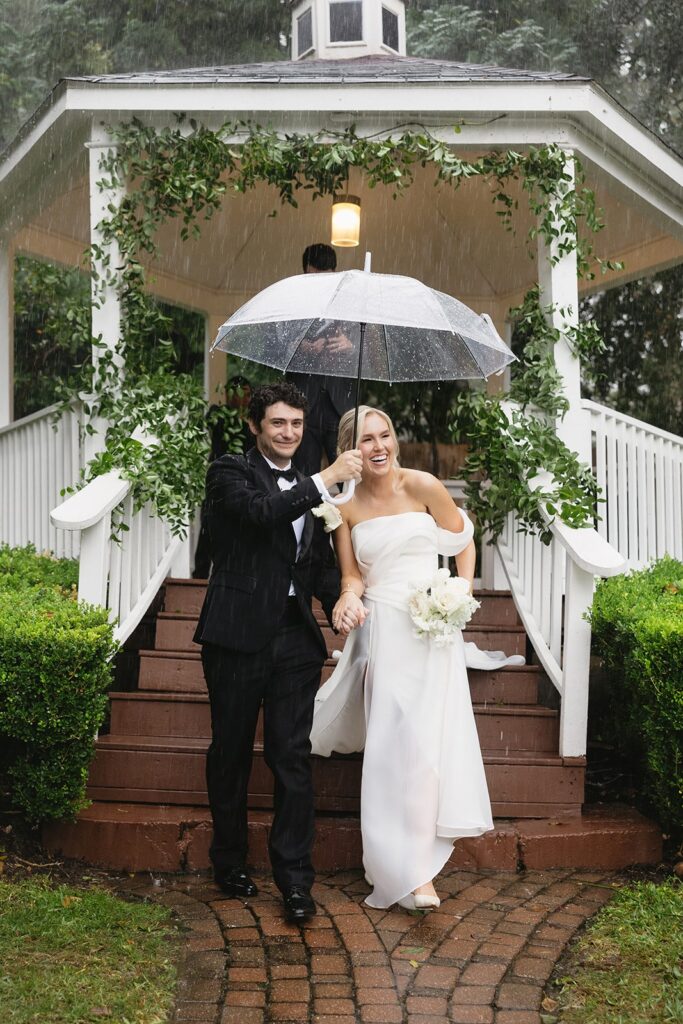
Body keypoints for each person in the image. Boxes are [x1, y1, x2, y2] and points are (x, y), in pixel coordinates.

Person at [310, 405, 494, 910]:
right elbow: (352, 576)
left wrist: (459, 593)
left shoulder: (424, 486)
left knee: (429, 742)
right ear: (351, 449)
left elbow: (462, 538)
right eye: (366, 440)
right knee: (395, 743)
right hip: (384, 628)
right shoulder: (343, 509)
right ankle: (402, 869)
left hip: (433, 628)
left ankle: (421, 866)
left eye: (384, 435)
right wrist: (348, 597)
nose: (378, 447)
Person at [193, 381, 363, 922]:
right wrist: (325, 479)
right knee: (231, 752)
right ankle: (229, 862)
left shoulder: (316, 490)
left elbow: (312, 566)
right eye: (277, 424)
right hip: (236, 633)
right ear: (255, 427)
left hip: (294, 638)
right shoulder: (228, 472)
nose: (288, 433)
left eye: (296, 424)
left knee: (291, 758)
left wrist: (344, 600)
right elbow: (263, 512)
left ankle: (295, 881)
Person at [287, 243, 356, 475]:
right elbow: (274, 345)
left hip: (341, 405)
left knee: (349, 476)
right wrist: (299, 347)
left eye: (325, 277)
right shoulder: (291, 302)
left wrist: (351, 346)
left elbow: (371, 355)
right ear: (306, 271)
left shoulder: (351, 304)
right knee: (304, 476)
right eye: (314, 276)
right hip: (303, 404)